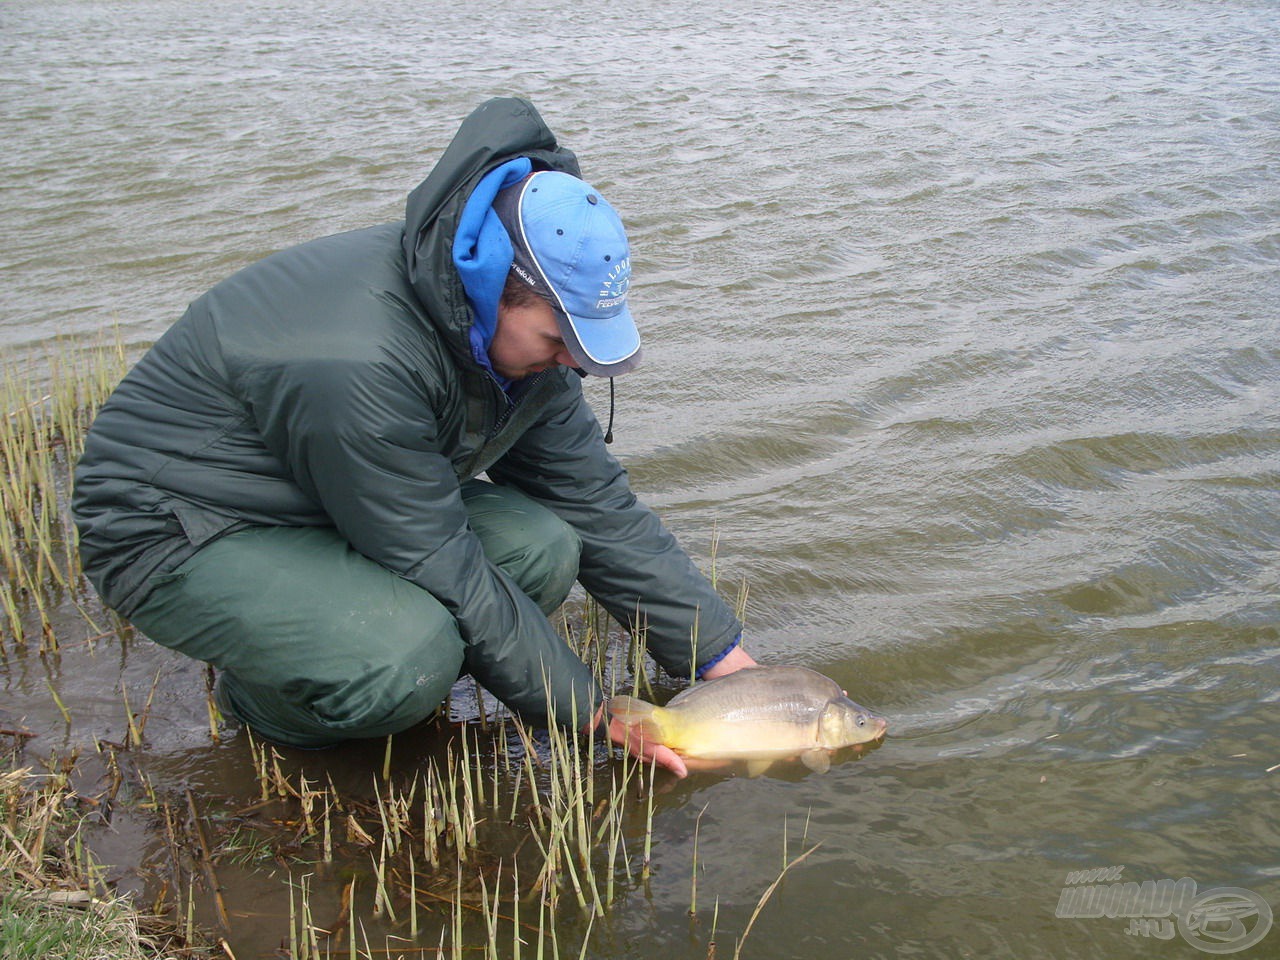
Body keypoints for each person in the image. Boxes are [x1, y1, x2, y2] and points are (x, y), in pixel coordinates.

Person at [72, 97, 755, 776]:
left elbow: (597, 507)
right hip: (179, 524)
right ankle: (268, 701)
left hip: (327, 497)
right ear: (495, 289)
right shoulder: (360, 360)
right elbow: (445, 566)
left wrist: (727, 667)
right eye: (559, 338)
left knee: (544, 546)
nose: (572, 360)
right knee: (404, 661)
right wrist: (594, 715)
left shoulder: (520, 348)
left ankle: (340, 636)